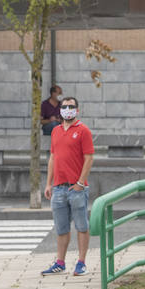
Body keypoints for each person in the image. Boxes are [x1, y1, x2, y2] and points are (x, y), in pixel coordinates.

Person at [40, 96, 95, 276]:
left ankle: (81, 262)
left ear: (77, 110)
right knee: (61, 228)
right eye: (65, 106)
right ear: (60, 110)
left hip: (76, 188)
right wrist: (48, 183)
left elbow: (89, 158)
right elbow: (53, 158)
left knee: (81, 226)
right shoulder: (55, 131)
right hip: (59, 188)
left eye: (71, 106)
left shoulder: (83, 130)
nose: (68, 109)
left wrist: (80, 182)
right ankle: (60, 262)